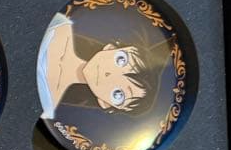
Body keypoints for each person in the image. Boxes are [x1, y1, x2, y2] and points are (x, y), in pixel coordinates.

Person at [36, 11, 172, 120]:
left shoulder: (46, 104)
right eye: (121, 60)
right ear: (110, 47)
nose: (109, 74)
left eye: (118, 94)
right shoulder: (60, 25)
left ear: (105, 104)